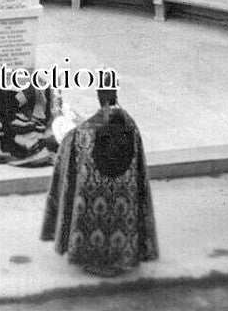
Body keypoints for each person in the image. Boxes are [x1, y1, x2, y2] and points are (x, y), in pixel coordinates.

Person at [41, 89, 158, 277]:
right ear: (115, 95)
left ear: (98, 96)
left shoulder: (83, 132)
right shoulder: (132, 127)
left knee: (86, 191)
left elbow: (66, 153)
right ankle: (121, 256)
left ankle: (94, 257)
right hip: (123, 196)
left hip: (93, 198)